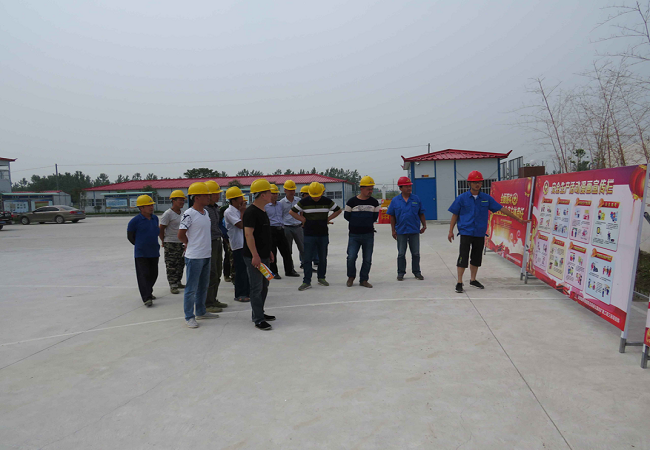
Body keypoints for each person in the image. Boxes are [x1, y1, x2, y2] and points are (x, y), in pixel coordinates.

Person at [448, 170, 528, 293]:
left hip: (479, 233)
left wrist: (518, 219)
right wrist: (450, 231)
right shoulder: (461, 198)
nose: (477, 184)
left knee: (476, 257)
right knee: (463, 257)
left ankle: (473, 279)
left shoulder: (486, 198)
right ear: (469, 183)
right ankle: (459, 282)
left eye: (479, 182)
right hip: (466, 232)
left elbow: (501, 208)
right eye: (475, 182)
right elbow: (455, 215)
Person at [178, 182, 220, 328]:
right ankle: (189, 316)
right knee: (191, 288)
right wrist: (189, 244)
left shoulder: (205, 213)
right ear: (196, 197)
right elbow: (181, 234)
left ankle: (201, 311)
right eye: (206, 195)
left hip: (206, 254)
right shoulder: (189, 214)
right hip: (194, 257)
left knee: (203, 285)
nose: (209, 197)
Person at [290, 181, 342, 291]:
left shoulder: (327, 201)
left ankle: (321, 277)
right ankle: (306, 281)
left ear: (322, 193)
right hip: (309, 234)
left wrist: (328, 218)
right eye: (314, 196)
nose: (316, 198)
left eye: (318, 195)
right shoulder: (304, 202)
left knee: (322, 257)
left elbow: (338, 210)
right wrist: (302, 219)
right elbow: (292, 212)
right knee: (307, 259)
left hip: (323, 234)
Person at [243, 179, 276, 331]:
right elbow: (248, 235)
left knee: (264, 285)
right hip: (254, 257)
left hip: (263, 255)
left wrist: (268, 251)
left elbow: (263, 235)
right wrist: (255, 255)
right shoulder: (251, 212)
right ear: (263, 195)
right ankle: (258, 319)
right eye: (270, 192)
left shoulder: (263, 211)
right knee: (256, 287)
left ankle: (259, 312)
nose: (272, 195)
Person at [387, 176, 426, 281]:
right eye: (406, 186)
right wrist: (393, 230)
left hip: (414, 230)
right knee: (401, 253)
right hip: (401, 231)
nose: (409, 188)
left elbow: (421, 213)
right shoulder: (395, 201)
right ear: (400, 188)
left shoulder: (416, 199)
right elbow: (392, 216)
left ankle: (417, 272)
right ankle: (401, 273)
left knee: (416, 253)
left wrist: (424, 225)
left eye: (410, 186)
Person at [344, 176, 380, 288]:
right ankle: (351, 277)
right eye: (368, 189)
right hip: (354, 235)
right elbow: (346, 216)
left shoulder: (374, 203)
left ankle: (364, 280)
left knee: (367, 259)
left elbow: (375, 217)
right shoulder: (351, 202)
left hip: (368, 235)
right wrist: (357, 223)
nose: (370, 191)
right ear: (361, 189)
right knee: (351, 257)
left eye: (371, 189)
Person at [127, 195, 160, 307]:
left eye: (152, 205)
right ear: (141, 208)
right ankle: (146, 297)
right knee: (143, 275)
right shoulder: (134, 221)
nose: (151, 207)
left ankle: (148, 291)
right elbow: (130, 237)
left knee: (154, 274)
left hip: (154, 251)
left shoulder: (155, 218)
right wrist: (140, 245)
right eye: (148, 205)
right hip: (141, 253)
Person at [266, 183, 300, 279]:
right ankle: (274, 272)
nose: (275, 195)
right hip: (271, 230)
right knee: (273, 252)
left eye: (276, 193)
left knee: (286, 251)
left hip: (281, 230)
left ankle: (289, 270)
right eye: (273, 193)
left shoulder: (280, 204)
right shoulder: (265, 206)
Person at [204, 180, 228, 313]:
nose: (218, 196)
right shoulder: (204, 210)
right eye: (215, 194)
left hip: (218, 241)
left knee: (217, 271)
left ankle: (213, 299)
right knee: (211, 273)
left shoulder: (216, 209)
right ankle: (207, 303)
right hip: (209, 243)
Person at [224, 186, 250, 302]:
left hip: (244, 243)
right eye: (240, 198)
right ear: (233, 200)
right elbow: (241, 225)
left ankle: (247, 291)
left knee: (246, 270)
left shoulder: (237, 210)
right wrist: (243, 211)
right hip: (238, 245)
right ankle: (240, 294)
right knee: (240, 270)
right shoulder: (229, 212)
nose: (243, 200)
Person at [159, 190, 186, 294]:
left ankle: (178, 281)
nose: (182, 202)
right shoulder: (168, 214)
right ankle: (172, 284)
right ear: (173, 201)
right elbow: (161, 229)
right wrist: (164, 241)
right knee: (171, 265)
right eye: (180, 200)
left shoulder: (183, 213)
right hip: (170, 242)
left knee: (180, 263)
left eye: (183, 200)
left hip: (181, 243)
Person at [280, 179, 304, 270]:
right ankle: (290, 268)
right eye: (290, 190)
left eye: (293, 190)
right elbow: (281, 215)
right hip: (287, 228)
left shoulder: (298, 200)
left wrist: (302, 221)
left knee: (303, 248)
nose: (292, 192)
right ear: (285, 190)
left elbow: (301, 212)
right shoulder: (281, 203)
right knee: (288, 249)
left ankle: (305, 265)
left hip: (298, 227)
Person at [299, 186, 318, 267]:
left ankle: (316, 259)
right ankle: (303, 261)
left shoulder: (313, 203)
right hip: (303, 227)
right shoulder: (301, 203)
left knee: (315, 243)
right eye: (306, 194)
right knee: (303, 245)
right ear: (303, 195)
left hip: (313, 226)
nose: (308, 196)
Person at [219, 202, 233, 283]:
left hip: (234, 238)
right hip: (227, 238)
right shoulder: (224, 211)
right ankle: (226, 274)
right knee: (228, 256)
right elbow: (221, 227)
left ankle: (232, 273)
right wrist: (225, 236)